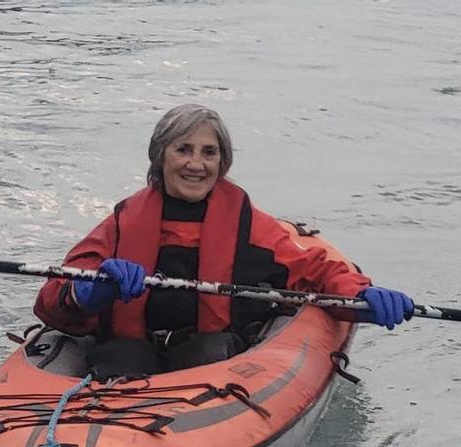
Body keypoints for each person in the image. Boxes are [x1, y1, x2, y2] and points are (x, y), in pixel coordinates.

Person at [34, 103, 413, 380]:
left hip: (209, 361)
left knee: (209, 351)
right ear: (159, 158)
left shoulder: (248, 226)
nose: (196, 164)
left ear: (222, 163)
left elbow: (315, 270)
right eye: (183, 149)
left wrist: (362, 296)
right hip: (129, 357)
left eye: (208, 153)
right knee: (119, 357)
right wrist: (92, 289)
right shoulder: (122, 223)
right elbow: (57, 293)